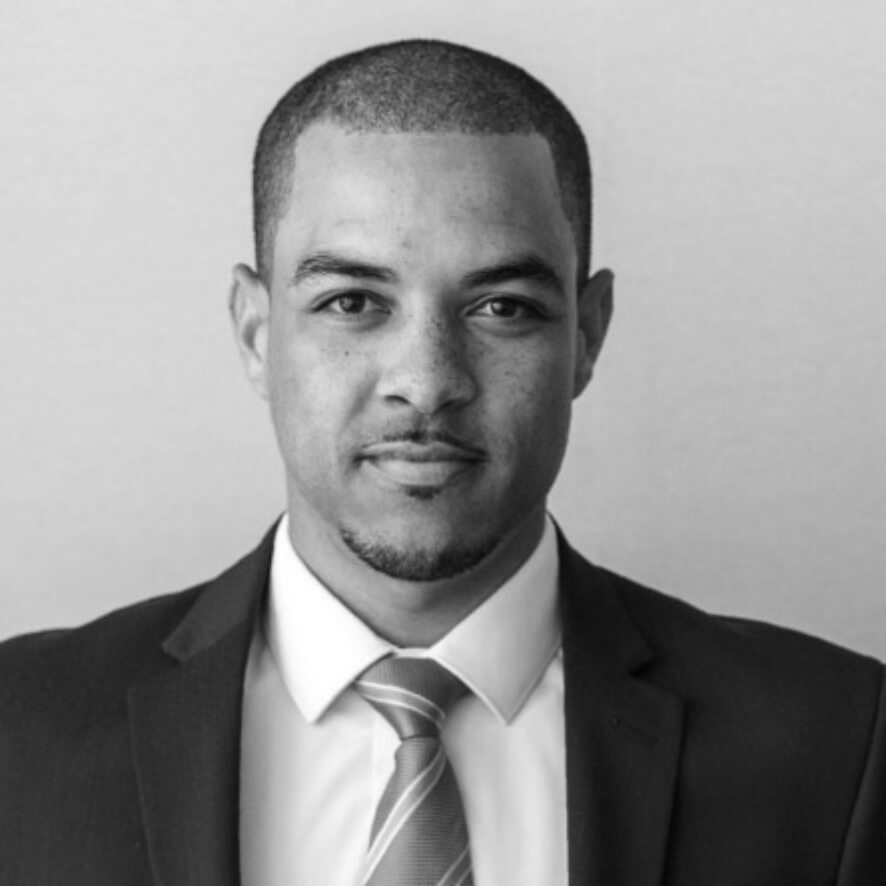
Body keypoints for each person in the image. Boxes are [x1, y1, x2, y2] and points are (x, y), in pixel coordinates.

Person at [1, 38, 883, 886]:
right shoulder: (17, 732)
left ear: (588, 336)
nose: (426, 382)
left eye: (502, 307)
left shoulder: (838, 744)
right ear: (256, 331)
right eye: (352, 301)